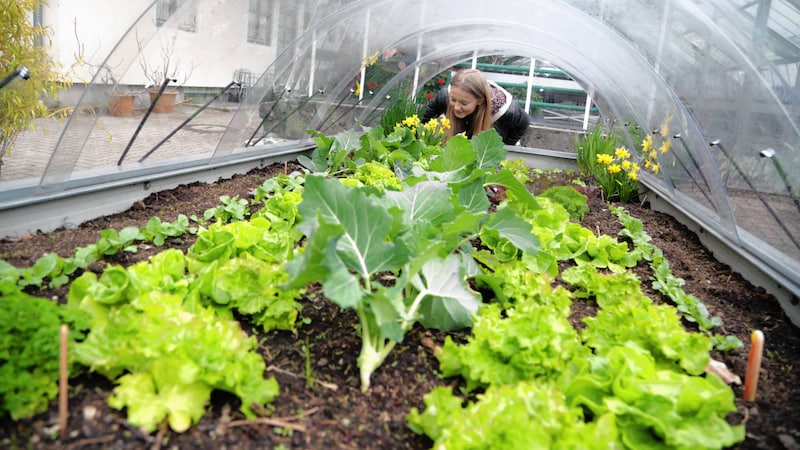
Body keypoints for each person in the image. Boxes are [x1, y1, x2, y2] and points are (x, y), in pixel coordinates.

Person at [422, 68, 530, 145]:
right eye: (453, 100)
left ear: (480, 101)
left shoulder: (506, 110)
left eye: (464, 103)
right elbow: (428, 113)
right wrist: (421, 135)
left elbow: (524, 123)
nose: (456, 107)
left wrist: (506, 146)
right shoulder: (444, 97)